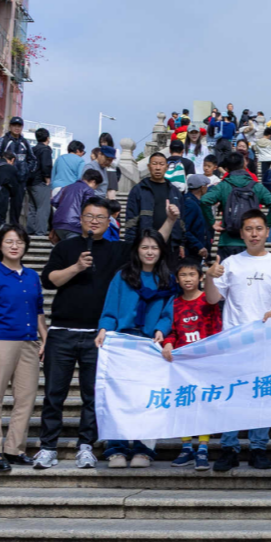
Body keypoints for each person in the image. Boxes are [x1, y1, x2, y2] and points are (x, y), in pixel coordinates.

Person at [34, 197, 179, 470]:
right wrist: (77, 267)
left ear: (109, 221)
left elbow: (151, 244)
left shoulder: (118, 251)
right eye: (90, 216)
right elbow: (49, 280)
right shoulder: (66, 247)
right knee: (54, 393)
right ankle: (48, 447)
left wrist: (170, 220)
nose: (94, 221)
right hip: (63, 331)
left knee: (94, 395)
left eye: (101, 217)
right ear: (80, 218)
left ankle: (86, 446)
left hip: (102, 336)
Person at [205, 210, 271, 471]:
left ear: (267, 231)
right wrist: (209, 276)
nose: (254, 234)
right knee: (232, 394)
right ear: (241, 233)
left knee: (262, 393)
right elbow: (212, 299)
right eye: (249, 229)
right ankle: (229, 447)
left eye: (259, 228)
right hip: (233, 339)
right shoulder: (230, 263)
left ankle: (258, 447)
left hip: (264, 340)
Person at [96, 229, 177, 468]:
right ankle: (116, 447)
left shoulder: (167, 279)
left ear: (161, 251)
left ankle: (144, 449)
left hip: (151, 345)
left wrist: (161, 328)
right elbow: (111, 308)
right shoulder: (122, 276)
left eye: (154, 247)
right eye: (145, 247)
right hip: (123, 342)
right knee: (119, 396)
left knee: (148, 397)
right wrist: (104, 328)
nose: (150, 252)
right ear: (137, 250)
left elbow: (169, 312)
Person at [0, 224, 46, 473]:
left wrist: (45, 338)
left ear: (26, 246)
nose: (15, 246)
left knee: (26, 398)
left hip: (29, 342)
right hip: (1, 341)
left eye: (19, 242)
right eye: (9, 241)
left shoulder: (32, 276)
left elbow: (39, 311)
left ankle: (14, 449)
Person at [161, 259, 222, 471]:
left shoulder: (208, 300)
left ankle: (203, 448)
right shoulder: (174, 303)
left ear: (200, 277)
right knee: (183, 404)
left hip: (205, 362)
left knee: (203, 405)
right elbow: (172, 330)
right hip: (181, 364)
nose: (188, 279)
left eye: (192, 274)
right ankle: (186, 447)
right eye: (183, 275)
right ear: (177, 279)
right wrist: (168, 343)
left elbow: (216, 328)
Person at [199, 152, 271, 261]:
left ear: (226, 168)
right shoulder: (256, 186)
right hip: (251, 243)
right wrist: (263, 226)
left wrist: (212, 222)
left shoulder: (223, 185)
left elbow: (204, 200)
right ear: (244, 164)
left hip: (227, 241)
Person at [123, 153, 189, 262]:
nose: (158, 167)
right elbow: (131, 220)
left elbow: (181, 221)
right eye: (154, 164)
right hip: (145, 246)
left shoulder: (174, 191)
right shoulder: (139, 190)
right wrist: (131, 245)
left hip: (170, 246)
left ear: (166, 167)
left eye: (161, 164)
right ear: (149, 166)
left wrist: (181, 243)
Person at [0, 116, 37, 224]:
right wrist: (2, 169)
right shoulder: (3, 140)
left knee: (17, 207)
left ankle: (13, 227)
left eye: (19, 126)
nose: (17, 128)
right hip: (4, 181)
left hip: (20, 181)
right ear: (10, 126)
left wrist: (26, 172)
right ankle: (0, 227)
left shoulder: (25, 143)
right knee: (2, 205)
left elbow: (33, 160)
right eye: (14, 125)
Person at [51, 169, 104, 241]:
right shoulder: (88, 190)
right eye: (97, 186)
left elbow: (54, 201)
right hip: (74, 225)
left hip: (58, 224)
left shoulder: (67, 187)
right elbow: (88, 209)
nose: (95, 188)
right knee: (74, 247)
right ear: (93, 182)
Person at [25, 128, 53, 236]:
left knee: (32, 207)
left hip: (30, 182)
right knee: (43, 208)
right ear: (48, 138)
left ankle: (30, 230)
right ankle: (40, 232)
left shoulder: (32, 149)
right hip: (40, 182)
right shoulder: (45, 150)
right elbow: (46, 165)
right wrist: (47, 179)